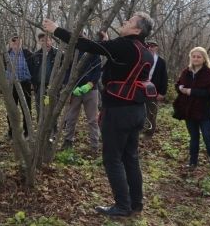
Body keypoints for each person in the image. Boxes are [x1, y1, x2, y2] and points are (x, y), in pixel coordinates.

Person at [43, 12, 155, 217]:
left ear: (137, 30)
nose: (124, 21)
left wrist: (56, 30)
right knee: (130, 157)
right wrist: (108, 45)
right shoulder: (144, 51)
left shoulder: (123, 46)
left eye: (129, 21)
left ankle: (122, 206)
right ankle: (136, 204)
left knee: (112, 159)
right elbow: (120, 61)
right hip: (137, 111)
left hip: (119, 111)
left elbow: (87, 45)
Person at [172, 47, 210, 171]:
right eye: (194, 56)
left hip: (205, 111)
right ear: (190, 58)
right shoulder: (186, 71)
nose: (196, 59)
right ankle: (192, 163)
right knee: (193, 137)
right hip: (190, 110)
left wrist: (191, 91)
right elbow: (178, 85)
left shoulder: (209, 73)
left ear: (204, 59)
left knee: (208, 138)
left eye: (199, 56)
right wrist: (180, 88)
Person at [61, 48, 102, 153]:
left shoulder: (94, 52)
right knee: (71, 117)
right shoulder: (70, 52)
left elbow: (98, 71)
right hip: (75, 90)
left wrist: (90, 84)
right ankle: (68, 141)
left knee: (92, 119)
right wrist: (70, 86)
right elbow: (65, 71)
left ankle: (94, 145)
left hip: (91, 90)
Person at [4, 34, 34, 138]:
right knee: (11, 109)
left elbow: (34, 69)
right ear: (10, 43)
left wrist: (33, 83)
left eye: (18, 41)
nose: (16, 43)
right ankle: (12, 132)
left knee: (27, 109)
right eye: (13, 41)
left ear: (21, 42)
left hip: (25, 84)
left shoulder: (28, 54)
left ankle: (28, 132)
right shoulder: (5, 55)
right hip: (11, 86)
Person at [31, 32, 61, 120]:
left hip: (53, 86)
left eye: (47, 40)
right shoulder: (36, 55)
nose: (46, 43)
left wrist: (59, 85)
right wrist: (33, 85)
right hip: (40, 86)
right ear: (39, 42)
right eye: (42, 41)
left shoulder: (58, 54)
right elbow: (33, 72)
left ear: (51, 41)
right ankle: (40, 128)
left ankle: (53, 130)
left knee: (52, 108)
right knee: (40, 108)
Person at [144, 40, 167, 137]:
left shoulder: (161, 61)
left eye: (153, 46)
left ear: (156, 48)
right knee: (139, 111)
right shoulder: (142, 58)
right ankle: (139, 130)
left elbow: (164, 78)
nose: (150, 48)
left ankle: (149, 133)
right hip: (140, 90)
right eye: (148, 46)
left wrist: (162, 93)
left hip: (154, 91)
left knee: (152, 113)